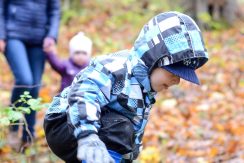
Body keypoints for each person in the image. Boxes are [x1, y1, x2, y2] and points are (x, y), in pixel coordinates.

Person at [44, 11, 209, 163]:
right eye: (173, 73)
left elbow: (131, 133)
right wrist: (87, 133)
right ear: (153, 59)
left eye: (180, 77)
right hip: (64, 122)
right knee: (120, 127)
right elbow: (83, 94)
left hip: (98, 129)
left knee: (122, 130)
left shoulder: (144, 88)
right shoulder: (116, 68)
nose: (176, 81)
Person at [0, 0, 60, 151]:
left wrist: (51, 36)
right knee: (25, 81)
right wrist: (1, 35)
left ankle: (28, 136)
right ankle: (13, 126)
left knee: (34, 86)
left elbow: (54, 11)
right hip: (13, 35)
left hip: (39, 38)